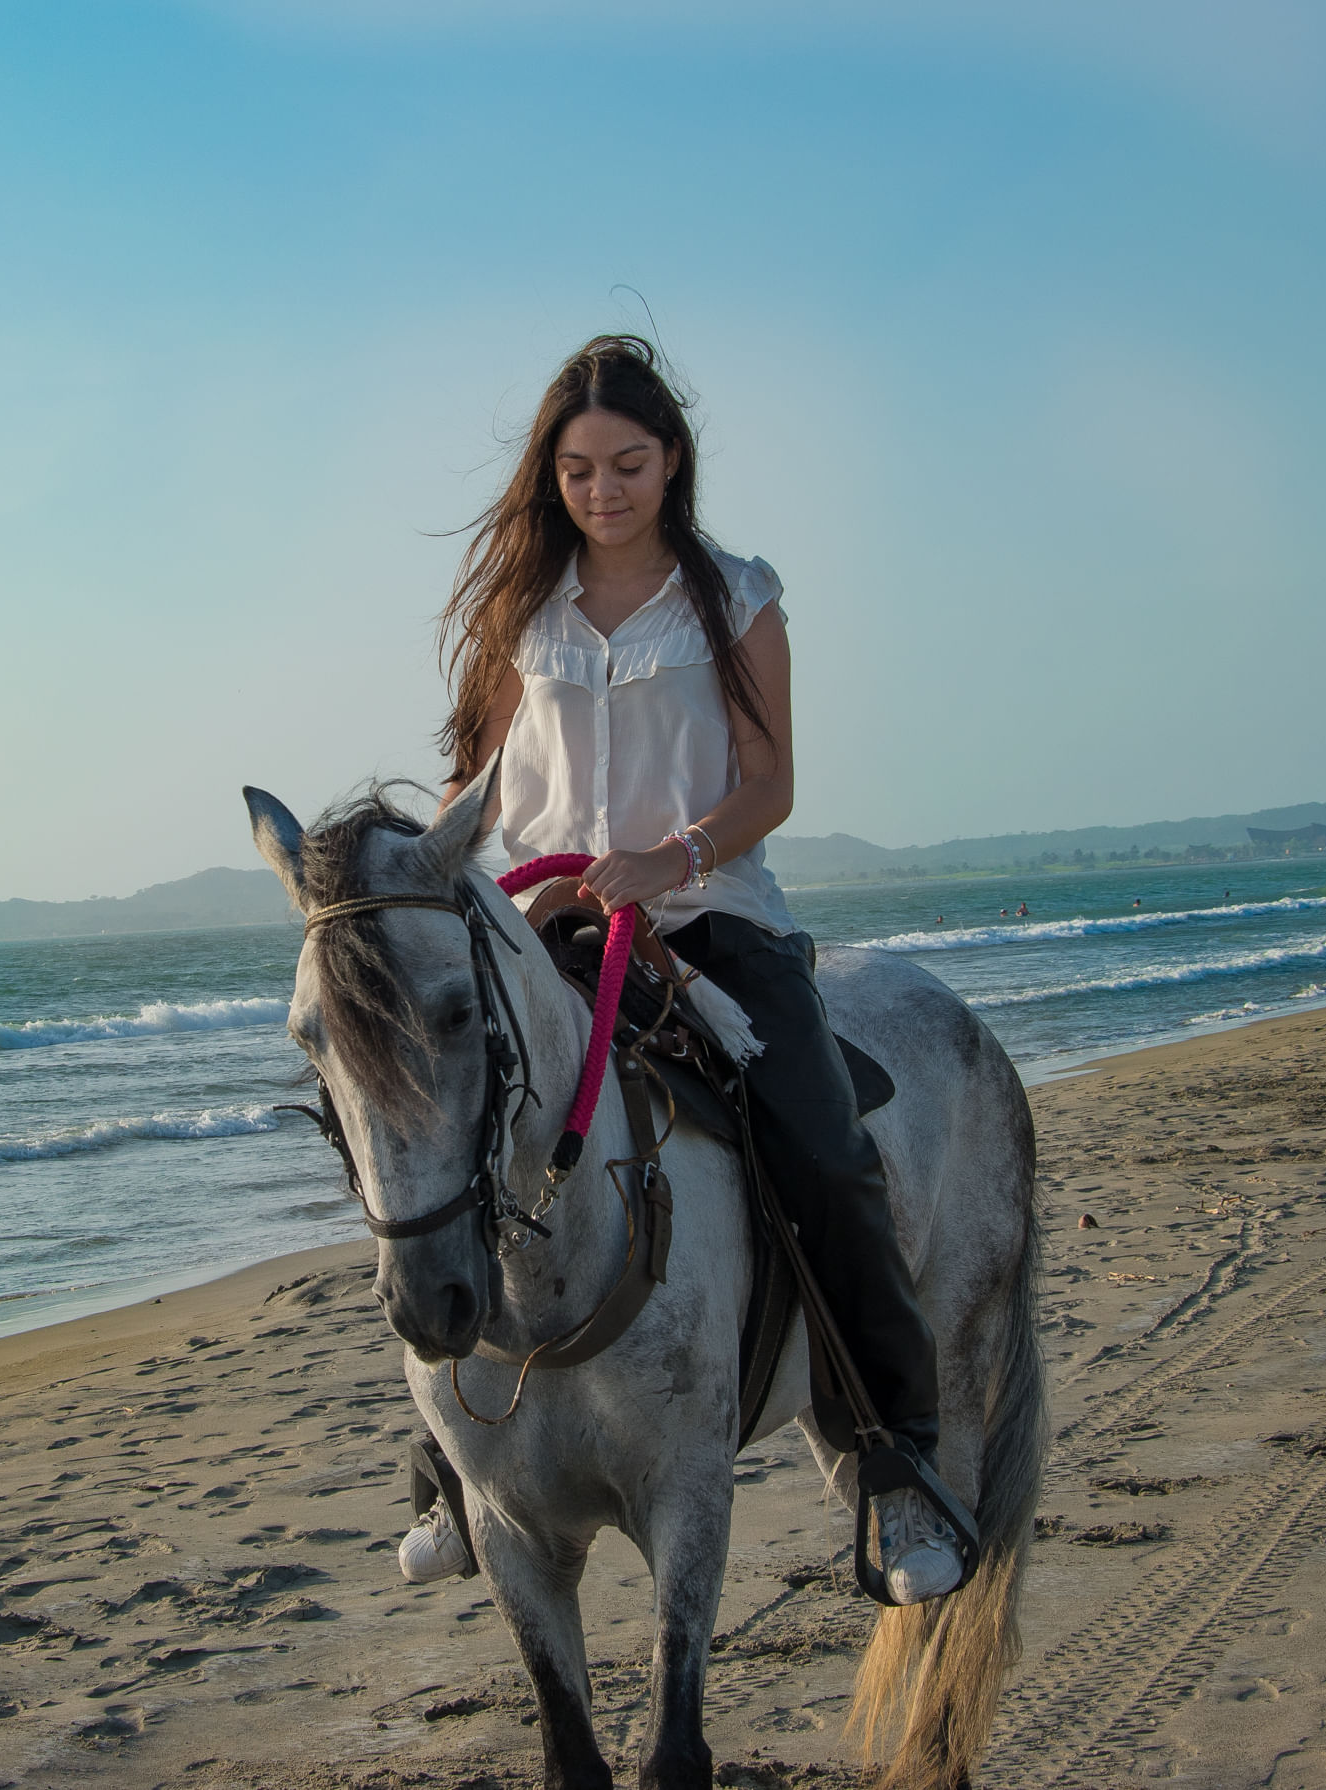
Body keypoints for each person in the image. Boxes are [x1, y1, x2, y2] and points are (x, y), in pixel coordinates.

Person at [418, 335, 960, 1604]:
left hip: (710, 915)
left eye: (627, 464)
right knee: (438, 1138)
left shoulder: (735, 595)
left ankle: (893, 1459)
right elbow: (473, 784)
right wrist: (432, 865)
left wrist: (673, 857)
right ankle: (449, 1466)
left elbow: (771, 783)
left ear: (672, 463)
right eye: (577, 469)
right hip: (548, 928)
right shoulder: (520, 614)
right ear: (548, 475)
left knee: (822, 1145)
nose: (601, 491)